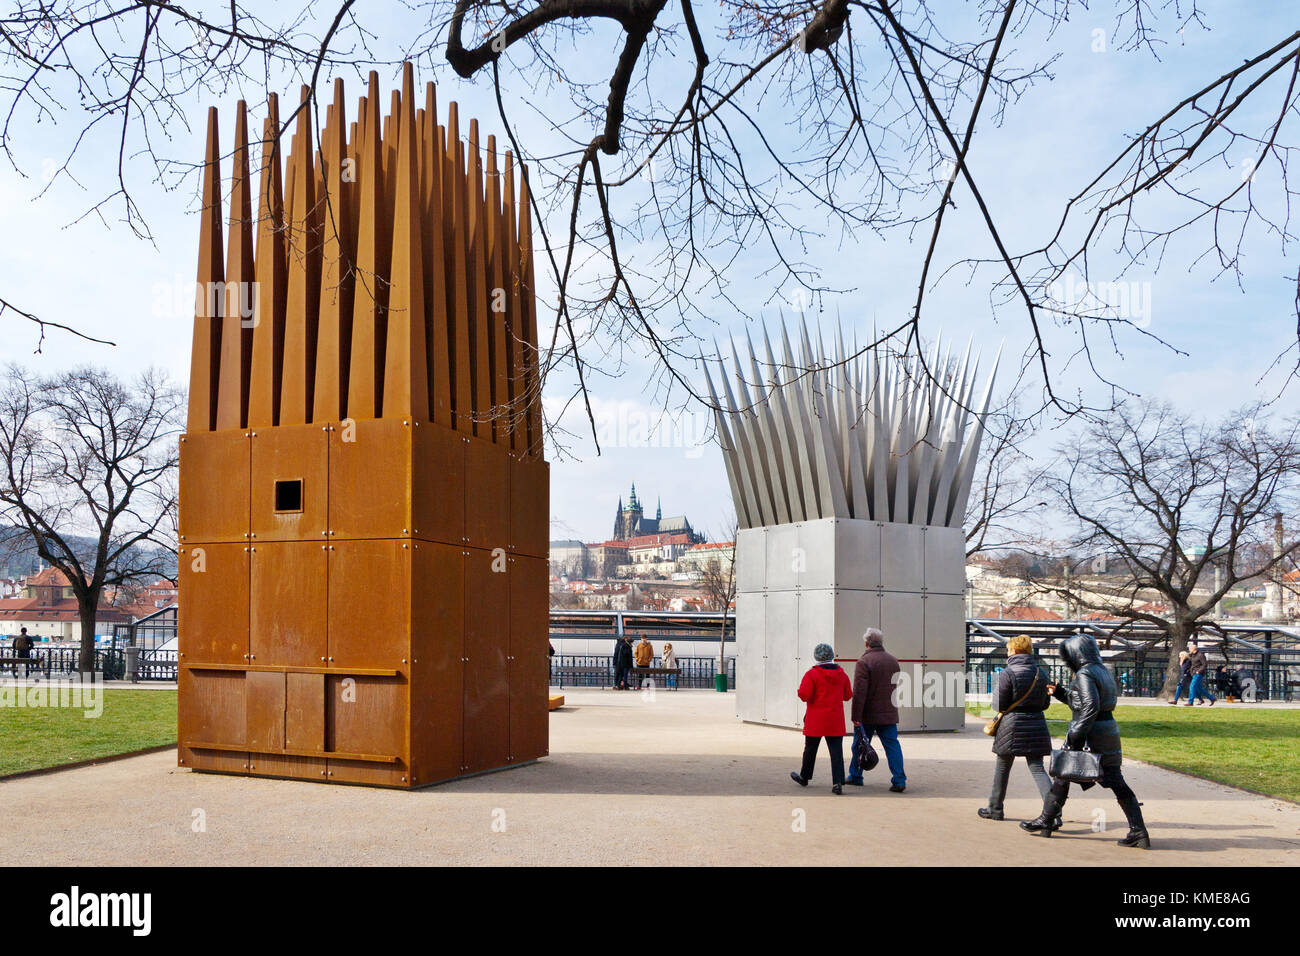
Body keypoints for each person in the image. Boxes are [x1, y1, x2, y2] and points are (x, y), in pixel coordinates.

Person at [1021, 634, 1150, 849]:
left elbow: (1090, 707)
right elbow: (1091, 702)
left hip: (1090, 733)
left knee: (1066, 773)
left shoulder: (1084, 673)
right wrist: (1062, 693)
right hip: (1106, 731)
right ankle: (1138, 831)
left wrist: (1075, 735)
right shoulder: (1102, 671)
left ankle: (1047, 820)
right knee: (1079, 778)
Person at [978, 634, 1056, 824]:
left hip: (1011, 725)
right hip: (1037, 723)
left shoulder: (1008, 673)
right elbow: (1046, 703)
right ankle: (1053, 813)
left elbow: (998, 704)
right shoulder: (1041, 673)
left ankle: (995, 808)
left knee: (1003, 767)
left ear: (1013, 651)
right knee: (1038, 768)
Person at [847, 628, 907, 792]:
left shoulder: (864, 662)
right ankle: (899, 780)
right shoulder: (893, 661)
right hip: (888, 712)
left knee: (859, 745)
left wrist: (855, 716)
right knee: (892, 746)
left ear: (866, 643)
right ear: (881, 643)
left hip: (868, 714)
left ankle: (856, 775)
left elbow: (860, 692)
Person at [791, 643, 853, 794]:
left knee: (810, 750)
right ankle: (837, 782)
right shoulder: (842, 674)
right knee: (836, 752)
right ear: (832, 656)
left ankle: (805, 777)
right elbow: (847, 696)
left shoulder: (811, 674)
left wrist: (800, 691)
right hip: (835, 720)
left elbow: (804, 695)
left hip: (815, 719)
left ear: (816, 657)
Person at [1185, 641, 1216, 706]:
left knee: (1192, 686)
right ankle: (1212, 698)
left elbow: (1204, 664)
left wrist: (1199, 671)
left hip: (1198, 674)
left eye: (1190, 649)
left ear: (1193, 649)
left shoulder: (1200, 655)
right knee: (1199, 688)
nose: (1189, 650)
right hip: (1194, 673)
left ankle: (1190, 702)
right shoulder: (1192, 655)